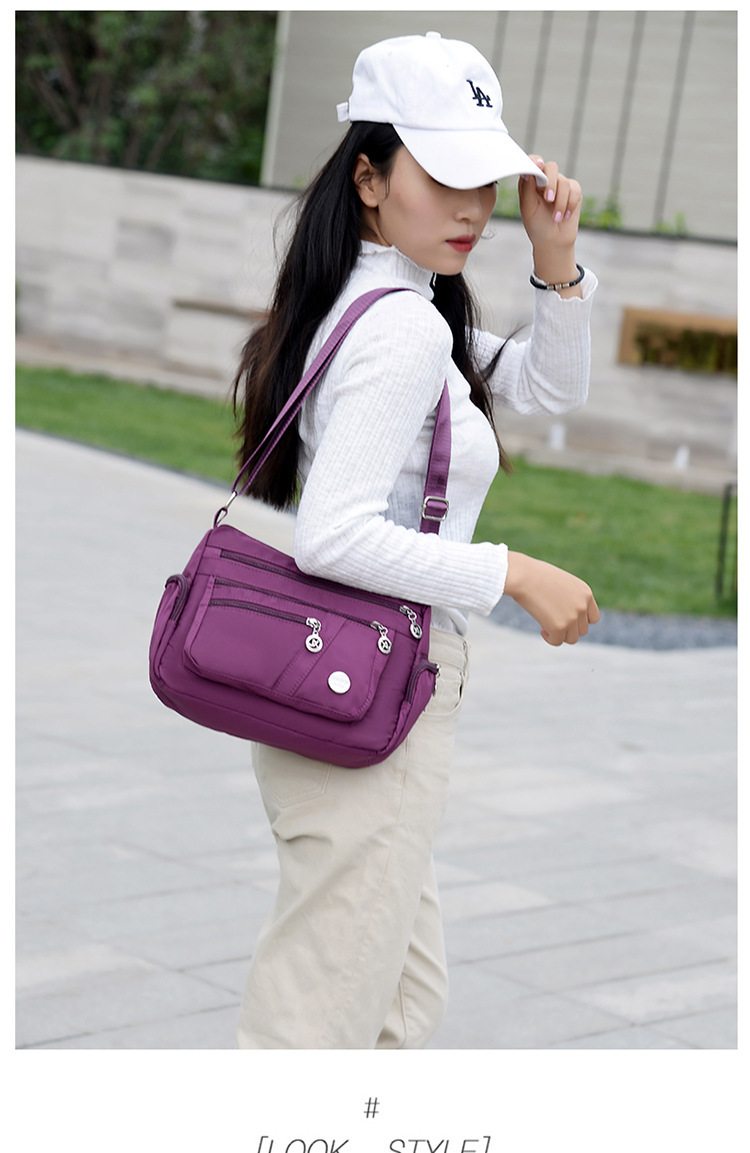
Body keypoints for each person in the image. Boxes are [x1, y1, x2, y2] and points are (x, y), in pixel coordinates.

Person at [232, 31, 599, 1049]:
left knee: (396, 999)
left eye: (484, 179)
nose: (474, 207)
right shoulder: (399, 325)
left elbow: (548, 387)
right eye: (443, 177)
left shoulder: (384, 301)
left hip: (348, 686)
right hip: (373, 675)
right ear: (369, 178)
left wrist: (555, 260)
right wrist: (511, 571)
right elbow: (333, 535)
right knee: (318, 1021)